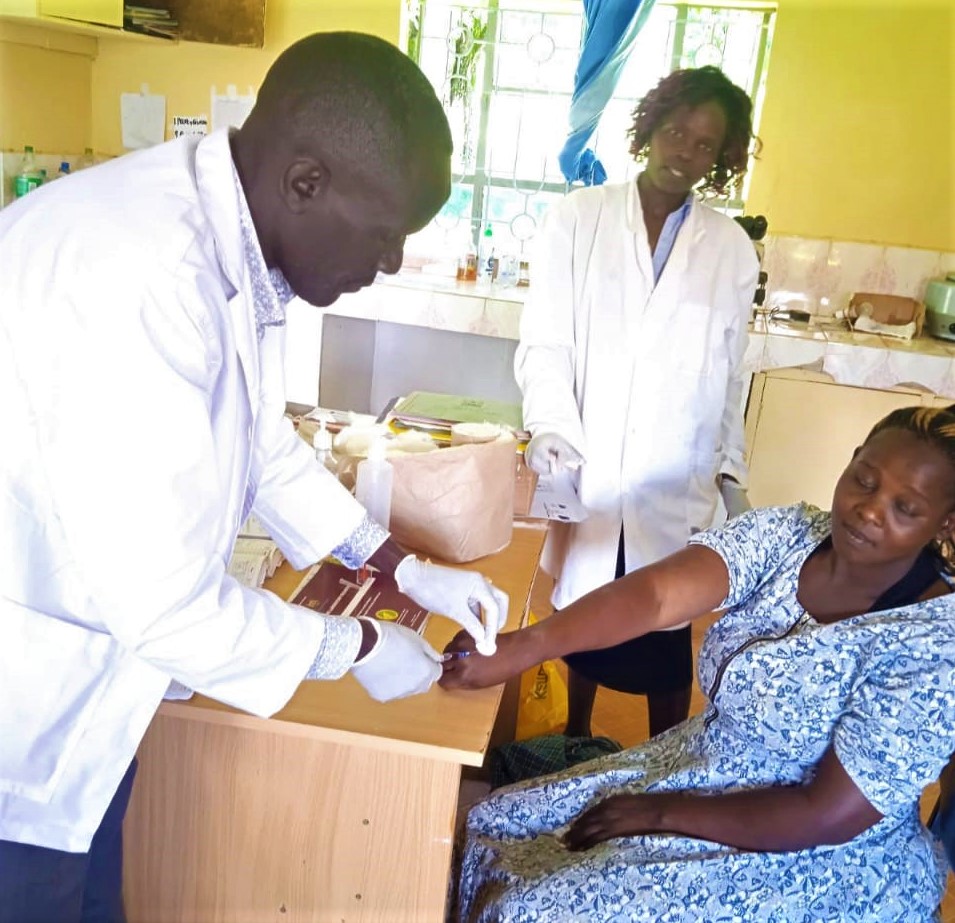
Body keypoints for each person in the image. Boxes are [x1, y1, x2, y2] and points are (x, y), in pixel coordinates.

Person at [0, 32, 509, 923]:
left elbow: (258, 445)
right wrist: (354, 648)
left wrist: (397, 565)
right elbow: (167, 606)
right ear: (306, 182)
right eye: (386, 233)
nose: (387, 264)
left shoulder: (225, 241)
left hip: (85, 689)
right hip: (27, 701)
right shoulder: (142, 272)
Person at [441, 404, 955, 921]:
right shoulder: (793, 535)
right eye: (864, 480)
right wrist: (524, 646)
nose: (869, 509)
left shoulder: (934, 649)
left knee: (531, 910)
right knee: (493, 823)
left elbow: (826, 815)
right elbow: (660, 595)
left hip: (814, 855)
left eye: (905, 508)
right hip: (703, 767)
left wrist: (658, 813)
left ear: (945, 521)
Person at [516, 65, 760, 740]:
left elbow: (728, 374)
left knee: (665, 635)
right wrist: (550, 427)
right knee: (586, 619)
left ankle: (661, 756)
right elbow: (544, 341)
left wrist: (730, 469)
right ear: (648, 128)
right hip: (587, 457)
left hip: (674, 473)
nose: (684, 151)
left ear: (719, 158)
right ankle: (575, 743)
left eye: (704, 144)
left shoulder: (730, 249)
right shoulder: (577, 219)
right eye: (676, 132)